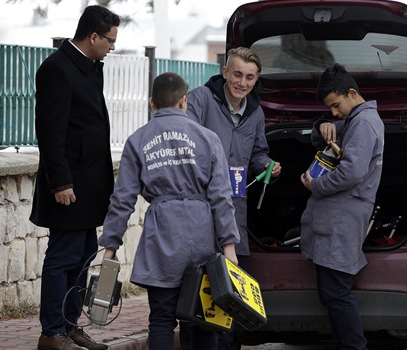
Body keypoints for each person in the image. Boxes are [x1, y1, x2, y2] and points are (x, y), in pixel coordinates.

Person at [98, 72, 241, 350]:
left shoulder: (137, 140)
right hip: (201, 238)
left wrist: (110, 246)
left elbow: (122, 199)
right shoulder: (208, 138)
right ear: (184, 101)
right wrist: (229, 246)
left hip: (161, 237)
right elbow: (222, 197)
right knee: (203, 320)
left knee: (161, 319)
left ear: (152, 102)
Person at [29, 5, 119, 350]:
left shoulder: (90, 67)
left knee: (83, 254)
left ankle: (69, 325)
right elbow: (50, 133)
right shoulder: (57, 69)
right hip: (68, 184)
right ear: (93, 36)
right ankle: (51, 332)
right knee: (63, 256)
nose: (112, 46)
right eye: (109, 40)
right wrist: (61, 182)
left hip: (90, 183)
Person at [186, 46, 281, 349]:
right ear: (225, 72)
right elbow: (185, 141)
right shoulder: (200, 99)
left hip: (234, 216)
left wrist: (268, 165)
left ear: (257, 80)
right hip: (200, 214)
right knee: (197, 293)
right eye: (237, 74)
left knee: (231, 294)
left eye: (250, 78)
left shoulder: (256, 112)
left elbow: (259, 152)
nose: (242, 83)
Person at [299, 63, 384, 350]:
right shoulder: (356, 120)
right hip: (338, 219)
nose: (334, 113)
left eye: (336, 106)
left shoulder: (363, 123)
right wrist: (323, 125)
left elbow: (351, 172)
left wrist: (315, 185)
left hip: (344, 219)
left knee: (337, 292)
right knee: (332, 292)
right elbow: (330, 134)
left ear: (352, 93)